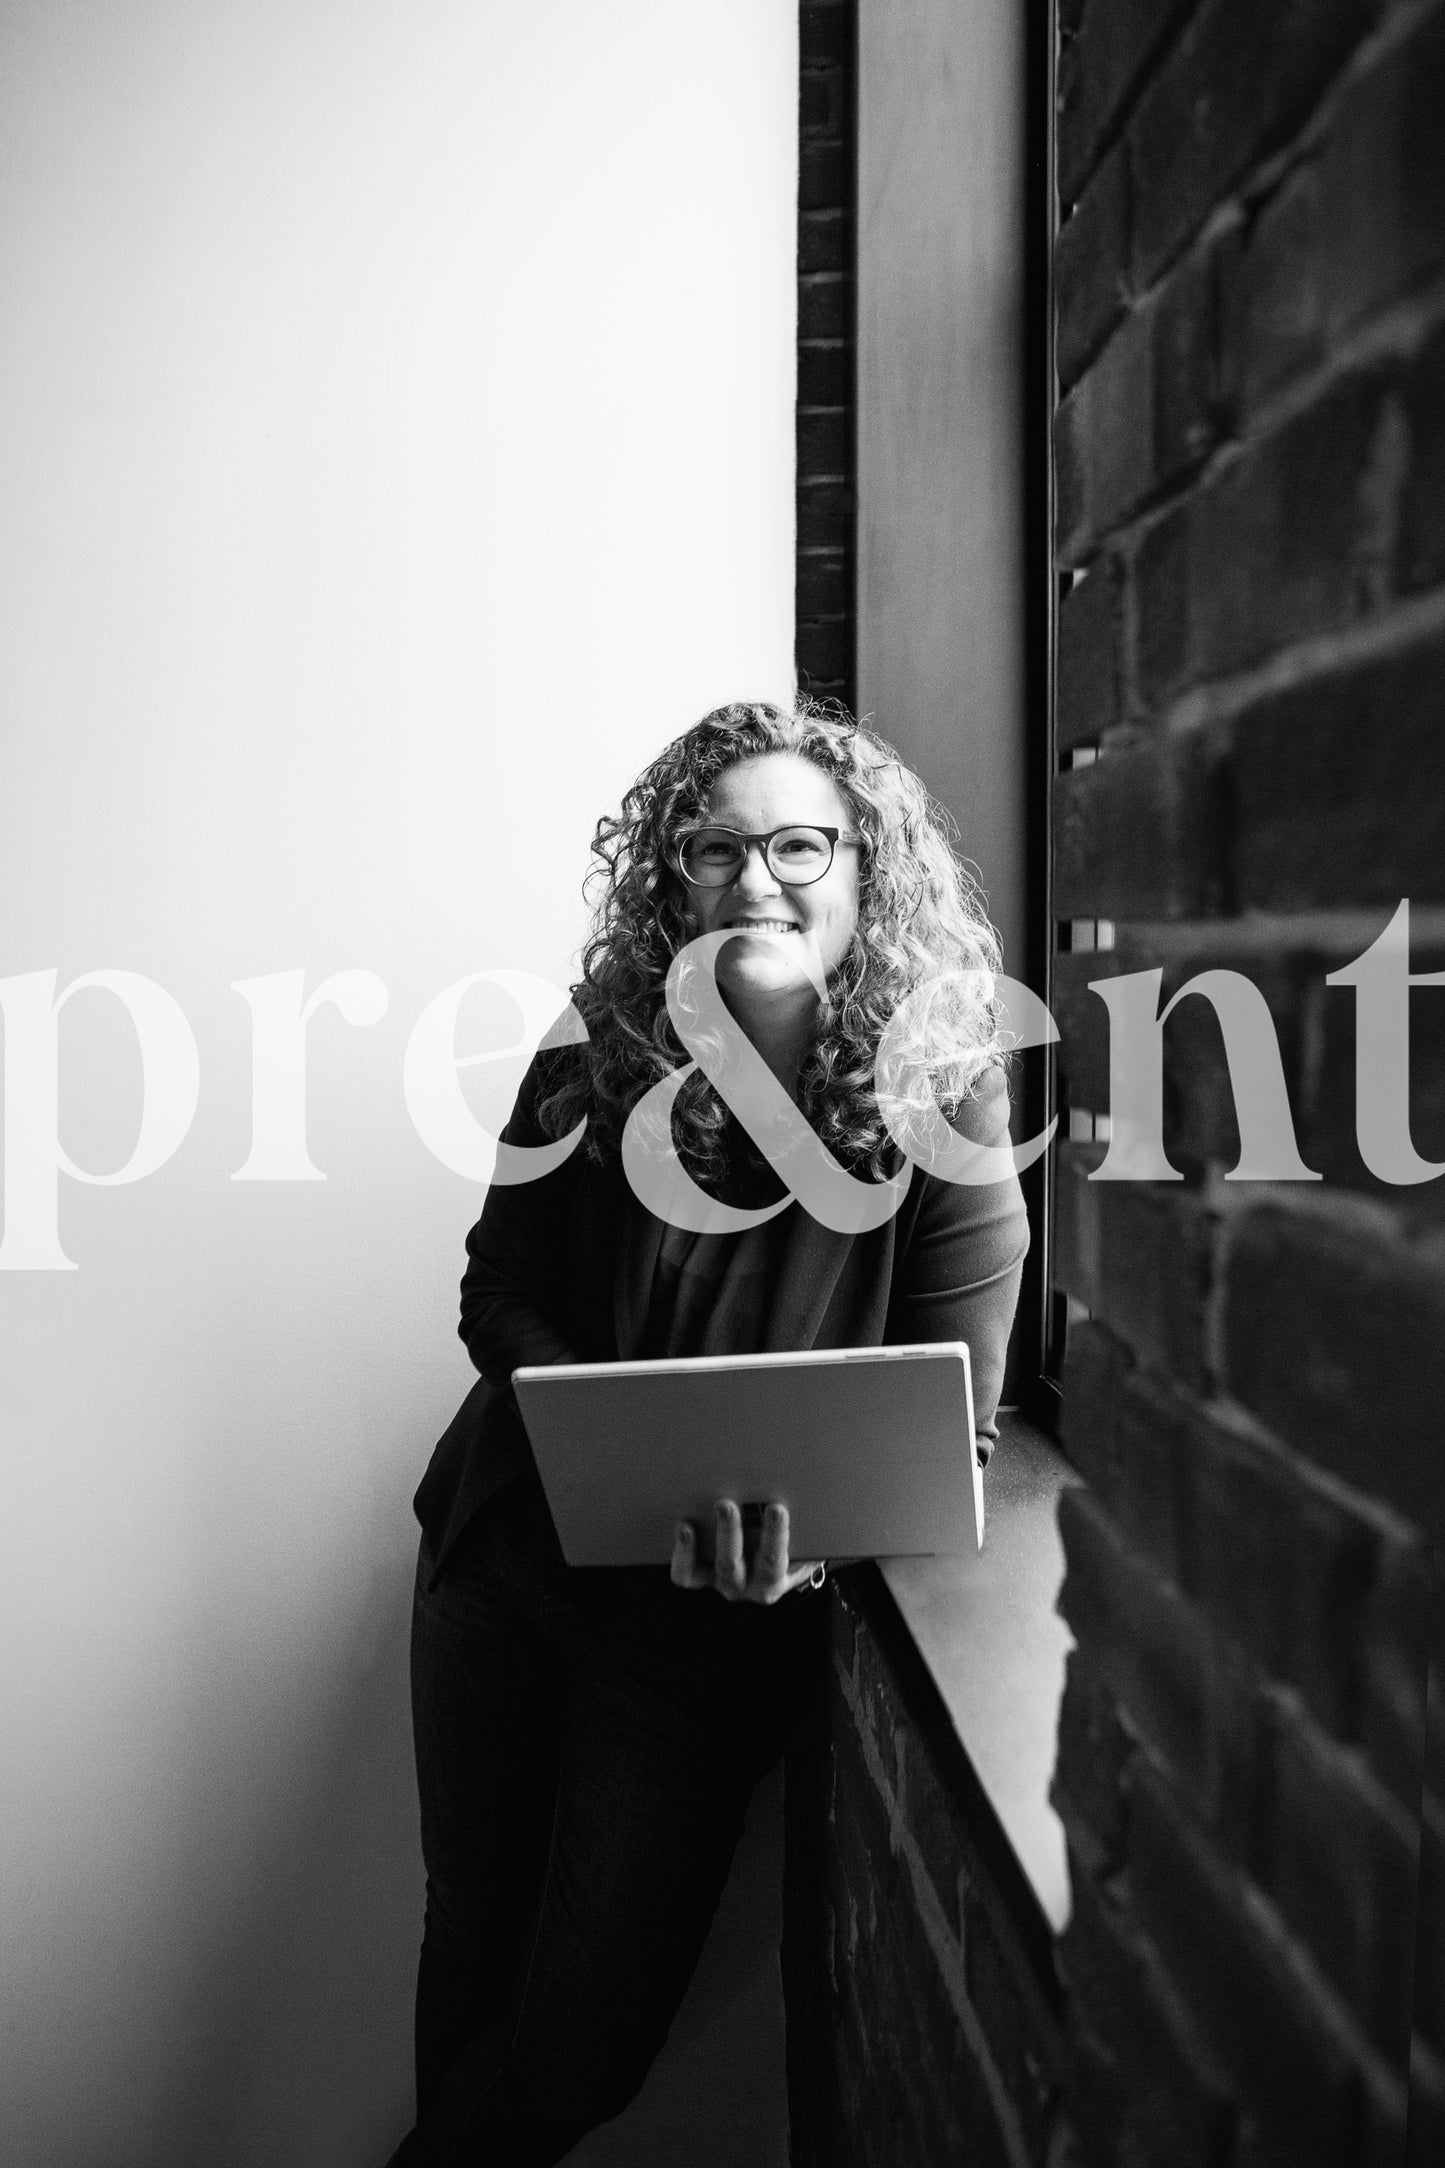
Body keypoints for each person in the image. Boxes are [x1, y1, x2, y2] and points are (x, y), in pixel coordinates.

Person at [388, 700, 1029, 2165]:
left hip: (707, 1628)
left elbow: (954, 1410)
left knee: (582, 2046)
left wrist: (807, 1551)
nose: (756, 877)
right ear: (669, 876)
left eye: (799, 842)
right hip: (508, 1550)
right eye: (715, 846)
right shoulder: (595, 1044)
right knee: (468, 1932)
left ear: (870, 866)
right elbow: (501, 1286)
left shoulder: (948, 1088)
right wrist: (581, 1428)